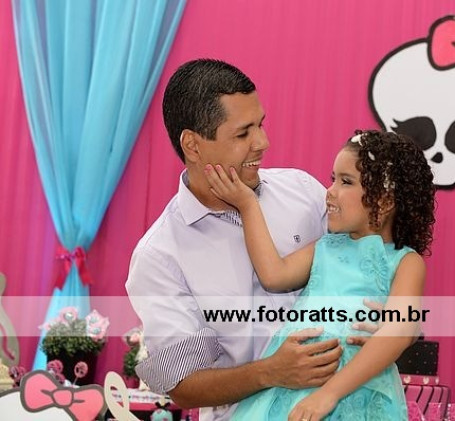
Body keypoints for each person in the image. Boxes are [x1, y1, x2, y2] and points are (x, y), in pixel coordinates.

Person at [125, 59, 376, 421]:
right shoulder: (161, 255)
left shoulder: (304, 193)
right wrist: (271, 372)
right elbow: (182, 384)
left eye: (261, 124)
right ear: (193, 145)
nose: (262, 143)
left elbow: (365, 265)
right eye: (243, 134)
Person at [204, 129, 436, 420]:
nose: (330, 191)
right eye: (333, 179)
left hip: (358, 396)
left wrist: (329, 394)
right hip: (293, 390)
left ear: (384, 201)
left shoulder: (405, 262)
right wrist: (248, 204)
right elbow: (273, 275)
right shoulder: (324, 248)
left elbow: (399, 331)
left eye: (346, 182)